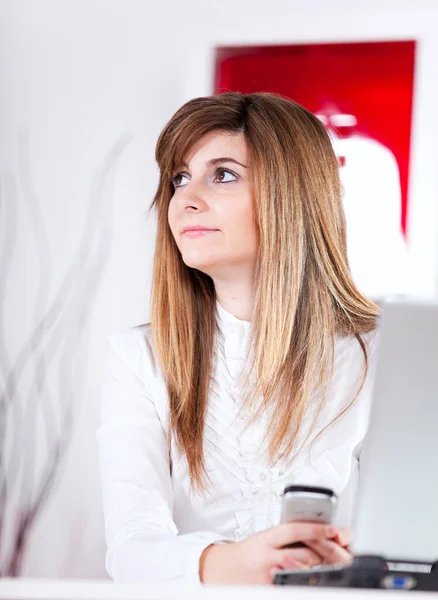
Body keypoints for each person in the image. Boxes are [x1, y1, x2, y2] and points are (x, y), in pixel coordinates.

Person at [96, 92, 380, 586]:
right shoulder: (138, 359)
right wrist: (235, 565)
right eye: (178, 178)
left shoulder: (379, 356)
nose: (185, 198)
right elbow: (131, 549)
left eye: (222, 174)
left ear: (291, 194)